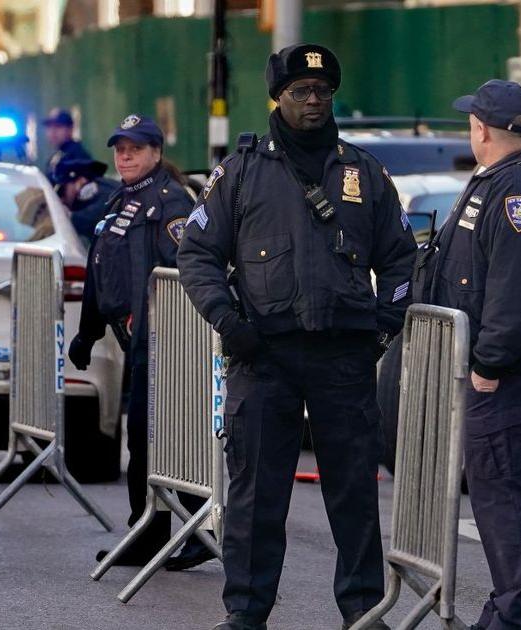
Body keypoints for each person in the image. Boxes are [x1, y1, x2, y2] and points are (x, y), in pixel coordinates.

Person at [178, 43, 418, 630]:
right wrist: (229, 325)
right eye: (300, 93)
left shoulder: (362, 171)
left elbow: (400, 258)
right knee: (256, 496)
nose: (313, 102)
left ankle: (363, 608)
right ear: (278, 99)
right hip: (265, 358)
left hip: (344, 357)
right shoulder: (240, 173)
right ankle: (246, 611)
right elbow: (196, 254)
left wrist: (385, 325)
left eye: (322, 92)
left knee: (354, 494)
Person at [419, 80, 521, 630]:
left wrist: (487, 365)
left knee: (508, 501)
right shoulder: (502, 183)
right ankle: (509, 607)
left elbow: (519, 293)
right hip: (504, 374)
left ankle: (516, 615)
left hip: (507, 378)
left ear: (482, 128)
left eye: (472, 121)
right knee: (503, 502)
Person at [66, 114, 211, 570]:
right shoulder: (121, 199)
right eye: (119, 147)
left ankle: (195, 533)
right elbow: (100, 268)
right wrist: (89, 330)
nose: (125, 155)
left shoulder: (171, 204)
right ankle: (148, 532)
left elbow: (191, 272)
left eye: (135, 147)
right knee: (145, 441)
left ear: (156, 152)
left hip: (172, 342)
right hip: (138, 342)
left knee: (172, 439)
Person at [51, 155, 119, 243]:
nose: (62, 200)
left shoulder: (97, 191)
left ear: (80, 181)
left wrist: (69, 216)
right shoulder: (103, 184)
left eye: (62, 192)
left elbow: (100, 213)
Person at [41, 108, 91, 179]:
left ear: (70, 129)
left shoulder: (78, 156)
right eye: (49, 127)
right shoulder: (56, 156)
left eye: (58, 126)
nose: (52, 131)